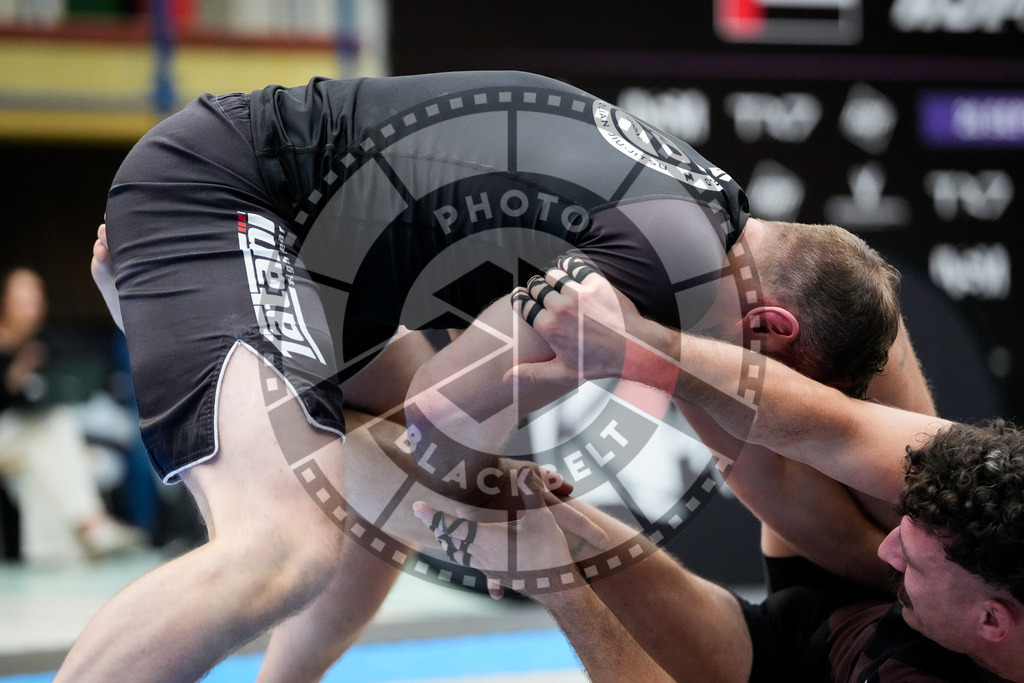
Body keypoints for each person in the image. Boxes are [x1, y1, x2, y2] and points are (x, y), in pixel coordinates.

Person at [70, 70, 924, 681]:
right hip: (229, 197)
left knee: (377, 507)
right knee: (285, 548)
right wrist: (503, 495)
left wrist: (476, 477)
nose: (742, 399)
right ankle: (174, 318)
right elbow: (442, 418)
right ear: (769, 329)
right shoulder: (665, 274)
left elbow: (430, 421)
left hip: (316, 254)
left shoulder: (712, 210)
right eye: (768, 380)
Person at [412, 259, 1022, 682]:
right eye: (903, 537)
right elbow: (835, 426)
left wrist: (559, 585)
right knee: (864, 355)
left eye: (907, 560)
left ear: (992, 620)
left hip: (779, 665)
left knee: (547, 537)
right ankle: (687, 276)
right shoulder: (967, 541)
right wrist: (641, 349)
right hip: (866, 616)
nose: (883, 550)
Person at [0, 267, 146, 562]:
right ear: (5, 302)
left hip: (23, 443)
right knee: (56, 423)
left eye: (36, 299)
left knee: (37, 465)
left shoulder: (40, 347)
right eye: (22, 300)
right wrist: (11, 380)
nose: (32, 307)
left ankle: (53, 557)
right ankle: (93, 524)